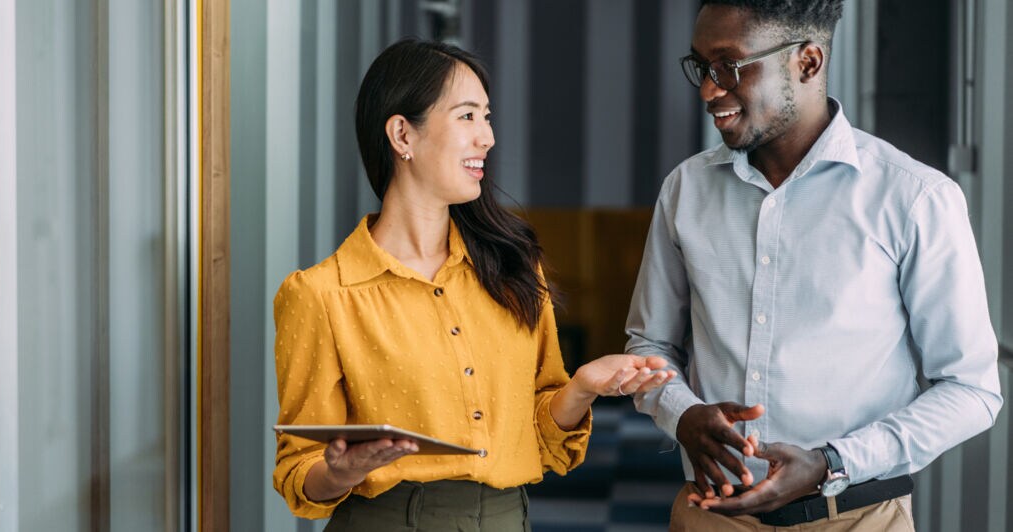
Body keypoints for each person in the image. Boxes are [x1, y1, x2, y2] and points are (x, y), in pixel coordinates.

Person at [625, 1, 1004, 530]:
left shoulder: (915, 198)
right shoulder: (685, 190)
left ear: (807, 62)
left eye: (729, 66)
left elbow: (972, 390)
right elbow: (649, 347)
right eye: (702, 68)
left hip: (858, 518)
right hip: (711, 516)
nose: (709, 89)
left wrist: (833, 463)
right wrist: (680, 412)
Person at [273, 38, 675, 530]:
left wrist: (582, 387)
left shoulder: (516, 267)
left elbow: (545, 440)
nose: (486, 137)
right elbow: (299, 472)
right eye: (467, 116)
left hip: (508, 517)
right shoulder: (320, 295)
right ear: (403, 135)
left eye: (487, 117)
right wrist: (340, 472)